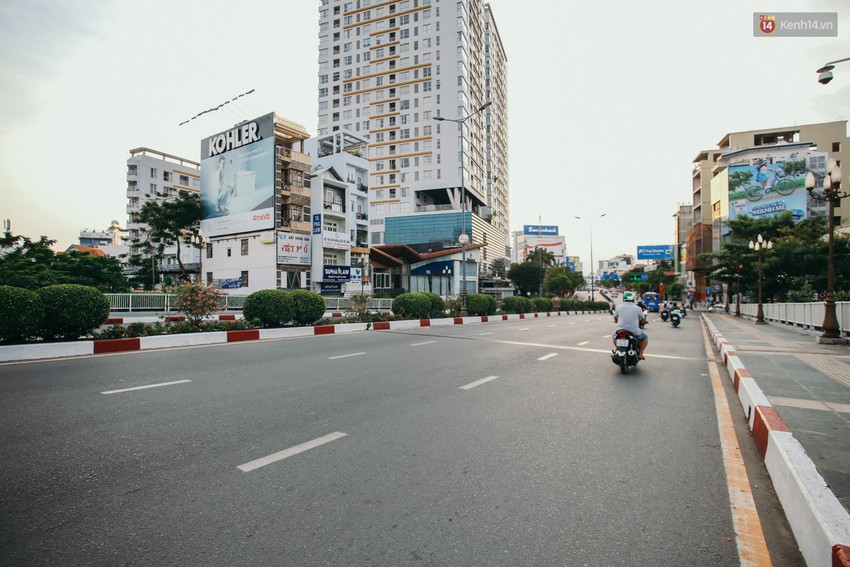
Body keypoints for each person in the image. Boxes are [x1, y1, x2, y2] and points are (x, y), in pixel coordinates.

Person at [613, 291, 648, 359]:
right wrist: (645, 321)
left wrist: (616, 321)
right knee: (645, 337)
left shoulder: (618, 307)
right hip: (634, 331)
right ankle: (640, 353)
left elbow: (615, 317)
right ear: (633, 299)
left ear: (624, 299)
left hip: (620, 330)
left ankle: (617, 348)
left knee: (614, 336)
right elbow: (644, 319)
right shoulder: (638, 308)